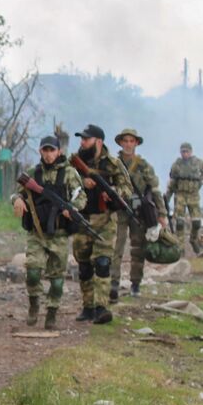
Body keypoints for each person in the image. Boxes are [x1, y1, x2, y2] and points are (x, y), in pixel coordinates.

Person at [11, 135, 85, 329]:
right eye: (45, 150)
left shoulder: (69, 173)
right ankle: (34, 304)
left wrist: (73, 208)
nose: (49, 154)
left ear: (59, 151)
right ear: (40, 152)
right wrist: (17, 200)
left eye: (52, 150)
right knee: (33, 271)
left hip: (59, 234)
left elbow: (80, 195)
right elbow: (17, 191)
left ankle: (52, 311)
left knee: (57, 281)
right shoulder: (33, 173)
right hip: (37, 233)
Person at [71, 124, 134, 325]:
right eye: (81, 139)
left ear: (98, 141)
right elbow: (64, 182)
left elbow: (127, 188)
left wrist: (114, 192)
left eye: (86, 139)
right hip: (82, 218)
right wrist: (83, 181)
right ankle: (88, 307)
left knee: (102, 263)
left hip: (105, 219)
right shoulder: (75, 162)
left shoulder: (113, 163)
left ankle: (101, 307)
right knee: (84, 266)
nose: (82, 142)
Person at [110, 129, 169, 301]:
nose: (128, 144)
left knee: (138, 249)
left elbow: (155, 190)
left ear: (136, 143)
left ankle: (135, 284)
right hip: (119, 211)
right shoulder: (113, 164)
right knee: (116, 248)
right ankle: (113, 284)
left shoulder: (143, 165)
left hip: (138, 212)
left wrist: (162, 214)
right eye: (125, 141)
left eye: (131, 141)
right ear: (120, 143)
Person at [165, 142, 203, 255]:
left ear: (191, 152)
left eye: (187, 151)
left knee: (197, 222)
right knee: (180, 223)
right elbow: (171, 184)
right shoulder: (176, 165)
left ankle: (193, 240)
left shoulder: (199, 163)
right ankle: (180, 250)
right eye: (183, 151)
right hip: (180, 195)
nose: (185, 154)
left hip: (194, 196)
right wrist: (166, 199)